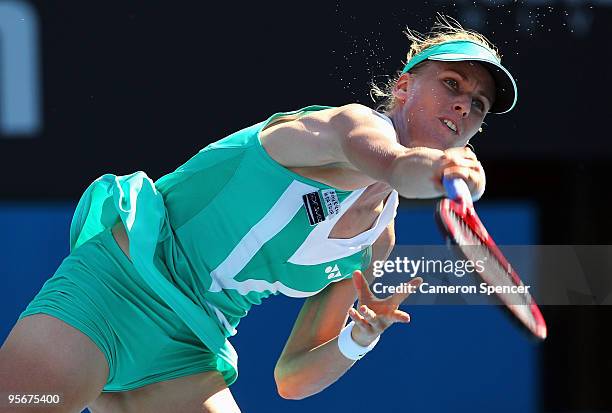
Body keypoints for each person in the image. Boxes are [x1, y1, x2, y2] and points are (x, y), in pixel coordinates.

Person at [0, 17, 517, 413]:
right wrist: (442, 171)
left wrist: (361, 337)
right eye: (452, 84)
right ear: (403, 87)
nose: (463, 108)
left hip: (186, 351)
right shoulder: (348, 129)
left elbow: (292, 378)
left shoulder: (375, 243)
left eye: (477, 106)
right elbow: (398, 165)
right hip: (114, 293)